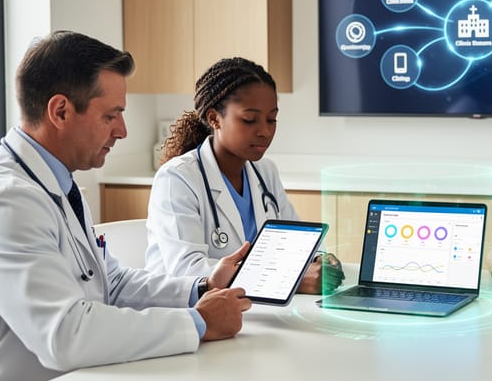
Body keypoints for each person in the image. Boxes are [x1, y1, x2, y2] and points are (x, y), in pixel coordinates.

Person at [0, 31, 253, 381]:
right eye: (111, 115)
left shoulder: (56, 184)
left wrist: (200, 287)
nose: (122, 130)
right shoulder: (2, 202)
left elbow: (111, 284)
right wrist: (197, 322)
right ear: (60, 111)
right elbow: (66, 335)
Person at [144, 57, 344, 293]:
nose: (265, 131)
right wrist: (291, 279)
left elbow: (298, 242)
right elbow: (189, 270)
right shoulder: (178, 178)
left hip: (253, 310)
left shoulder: (264, 171)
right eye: (249, 119)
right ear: (214, 118)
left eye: (272, 119)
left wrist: (320, 259)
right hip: (188, 315)